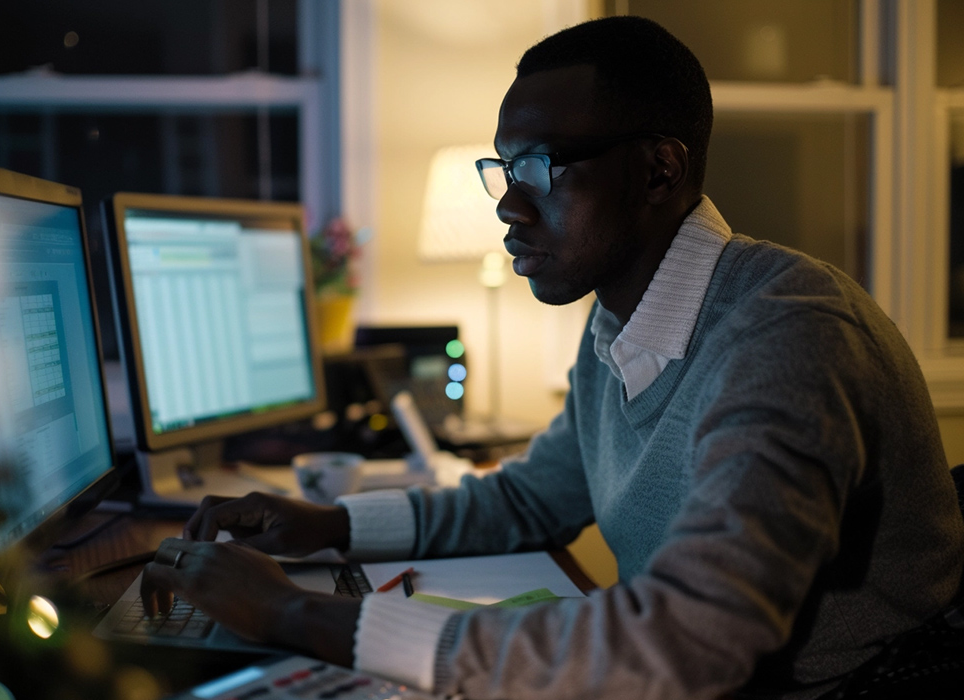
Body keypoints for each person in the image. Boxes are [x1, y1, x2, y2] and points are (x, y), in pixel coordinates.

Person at [140, 16, 964, 700]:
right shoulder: (619, 319)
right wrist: (330, 526)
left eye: (539, 166)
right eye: (502, 166)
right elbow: (536, 499)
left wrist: (298, 617)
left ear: (657, 170)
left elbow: (693, 640)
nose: (507, 201)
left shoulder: (789, 336)